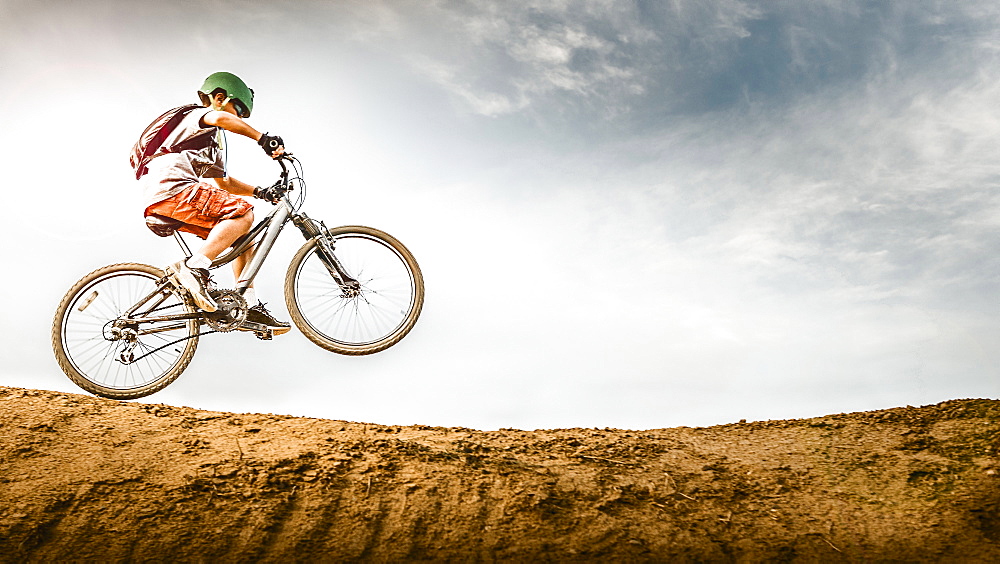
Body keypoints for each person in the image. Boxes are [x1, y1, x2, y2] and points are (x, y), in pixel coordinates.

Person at [139, 71, 290, 335]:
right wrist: (262, 138)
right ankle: (193, 268)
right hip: (175, 188)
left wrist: (261, 192)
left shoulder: (210, 143)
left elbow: (224, 183)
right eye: (238, 110)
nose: (238, 119)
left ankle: (248, 304)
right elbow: (220, 117)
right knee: (243, 214)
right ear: (219, 97)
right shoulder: (197, 115)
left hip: (164, 197)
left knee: (243, 236)